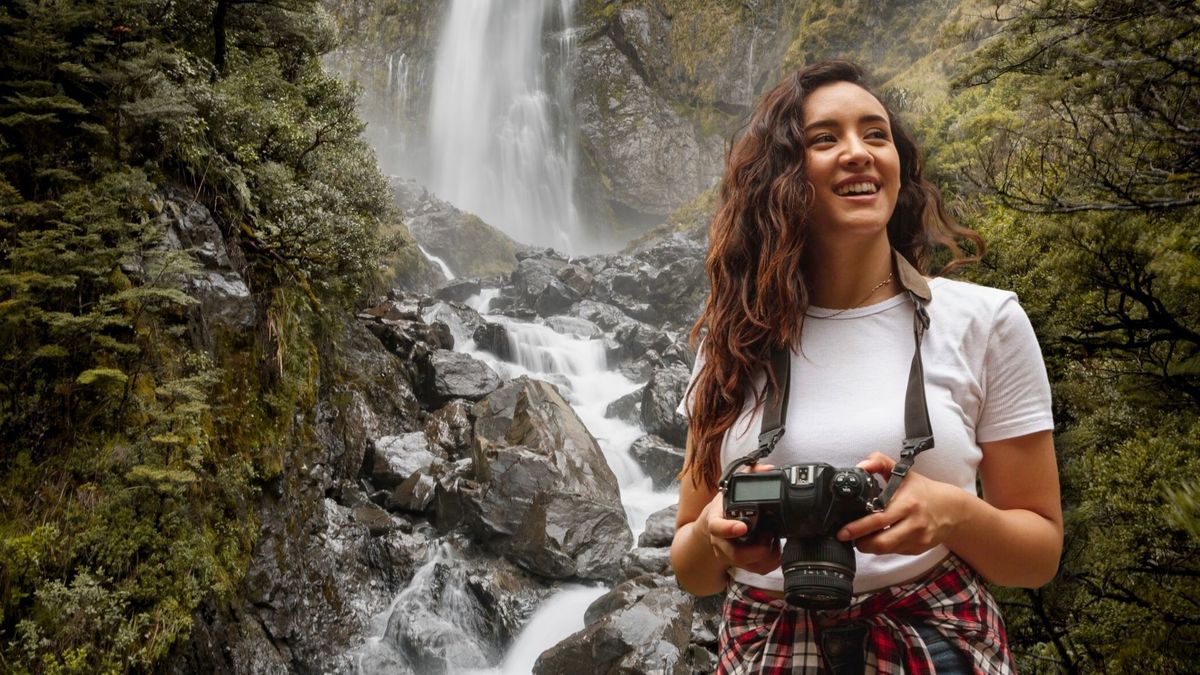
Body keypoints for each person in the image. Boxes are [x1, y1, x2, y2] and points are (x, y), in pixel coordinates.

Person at [669, 60, 1062, 674]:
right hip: (763, 648)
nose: (858, 152)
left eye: (876, 134)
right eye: (824, 139)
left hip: (936, 641)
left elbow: (1038, 558)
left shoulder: (985, 321)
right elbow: (690, 570)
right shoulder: (733, 338)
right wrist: (713, 537)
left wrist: (954, 514)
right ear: (779, 176)